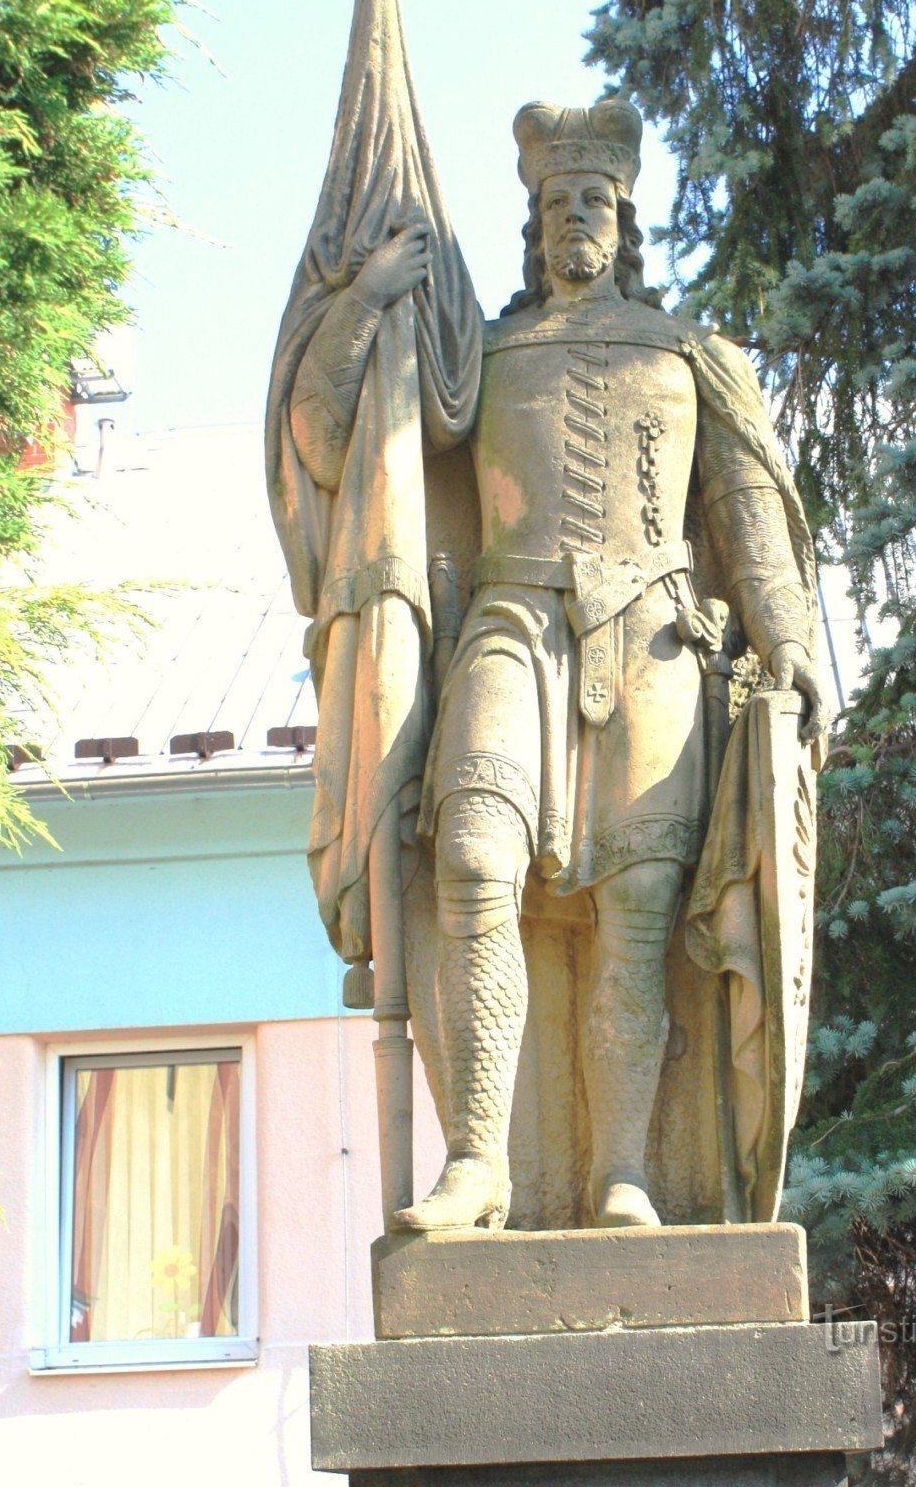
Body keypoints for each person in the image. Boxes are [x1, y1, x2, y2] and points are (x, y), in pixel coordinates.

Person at [288, 100, 829, 1231]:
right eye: (553, 203)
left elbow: (745, 510)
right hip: (512, 623)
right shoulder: (472, 354)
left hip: (658, 639)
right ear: (531, 224)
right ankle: (479, 1159)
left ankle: (621, 1171)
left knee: (638, 913)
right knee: (474, 858)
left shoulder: (691, 355)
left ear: (624, 218)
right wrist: (375, 297)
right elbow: (329, 439)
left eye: (594, 199)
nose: (573, 218)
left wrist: (793, 641)